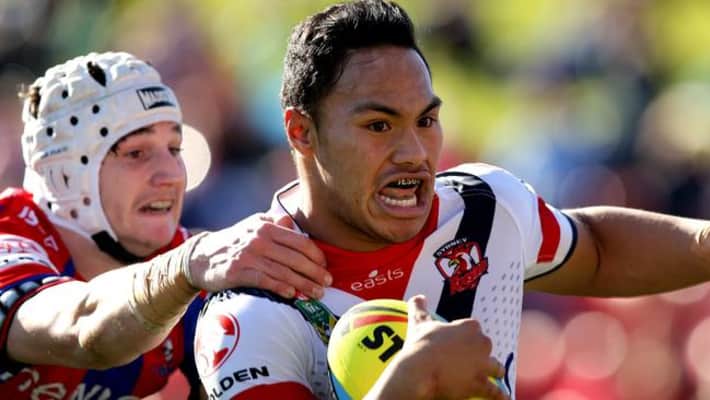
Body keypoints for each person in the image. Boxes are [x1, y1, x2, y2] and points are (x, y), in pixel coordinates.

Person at [196, 1, 710, 399]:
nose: (414, 153)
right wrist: (408, 385)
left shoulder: (484, 207)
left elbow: (597, 248)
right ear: (301, 132)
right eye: (379, 126)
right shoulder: (250, 310)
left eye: (426, 120)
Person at [0, 51, 331, 399]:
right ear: (63, 176)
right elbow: (84, 330)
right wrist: (186, 267)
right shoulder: (10, 235)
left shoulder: (184, 261)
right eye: (136, 153)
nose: (172, 175)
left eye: (174, 148)